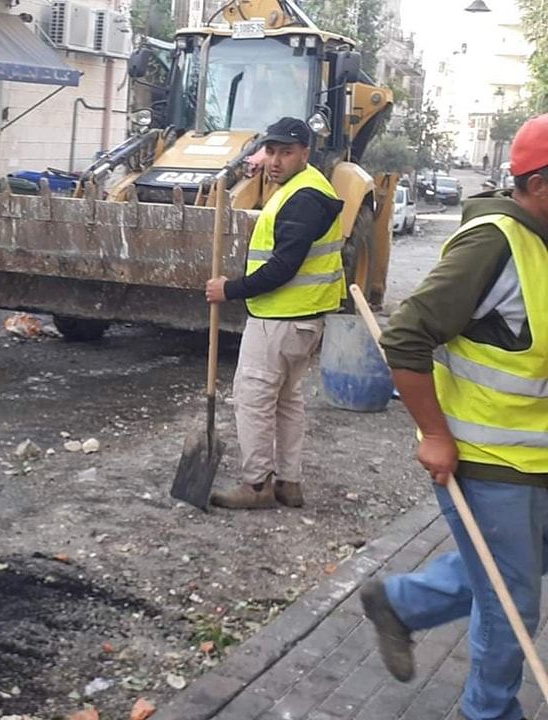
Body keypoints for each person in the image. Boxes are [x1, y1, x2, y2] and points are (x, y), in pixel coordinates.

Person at [361, 113, 548, 720]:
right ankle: (487, 712)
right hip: (486, 457)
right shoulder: (495, 243)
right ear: (541, 185)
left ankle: (402, 602)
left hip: (535, 454)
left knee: (505, 573)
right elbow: (407, 337)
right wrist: (436, 435)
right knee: (512, 600)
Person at [205, 117, 345, 509]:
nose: (275, 160)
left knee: (253, 398)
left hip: (280, 321)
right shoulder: (309, 187)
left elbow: (283, 267)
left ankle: (256, 486)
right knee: (286, 400)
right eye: (271, 151)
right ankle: (288, 482)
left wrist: (228, 289)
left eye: (286, 152)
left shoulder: (302, 199)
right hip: (303, 320)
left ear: (305, 153)